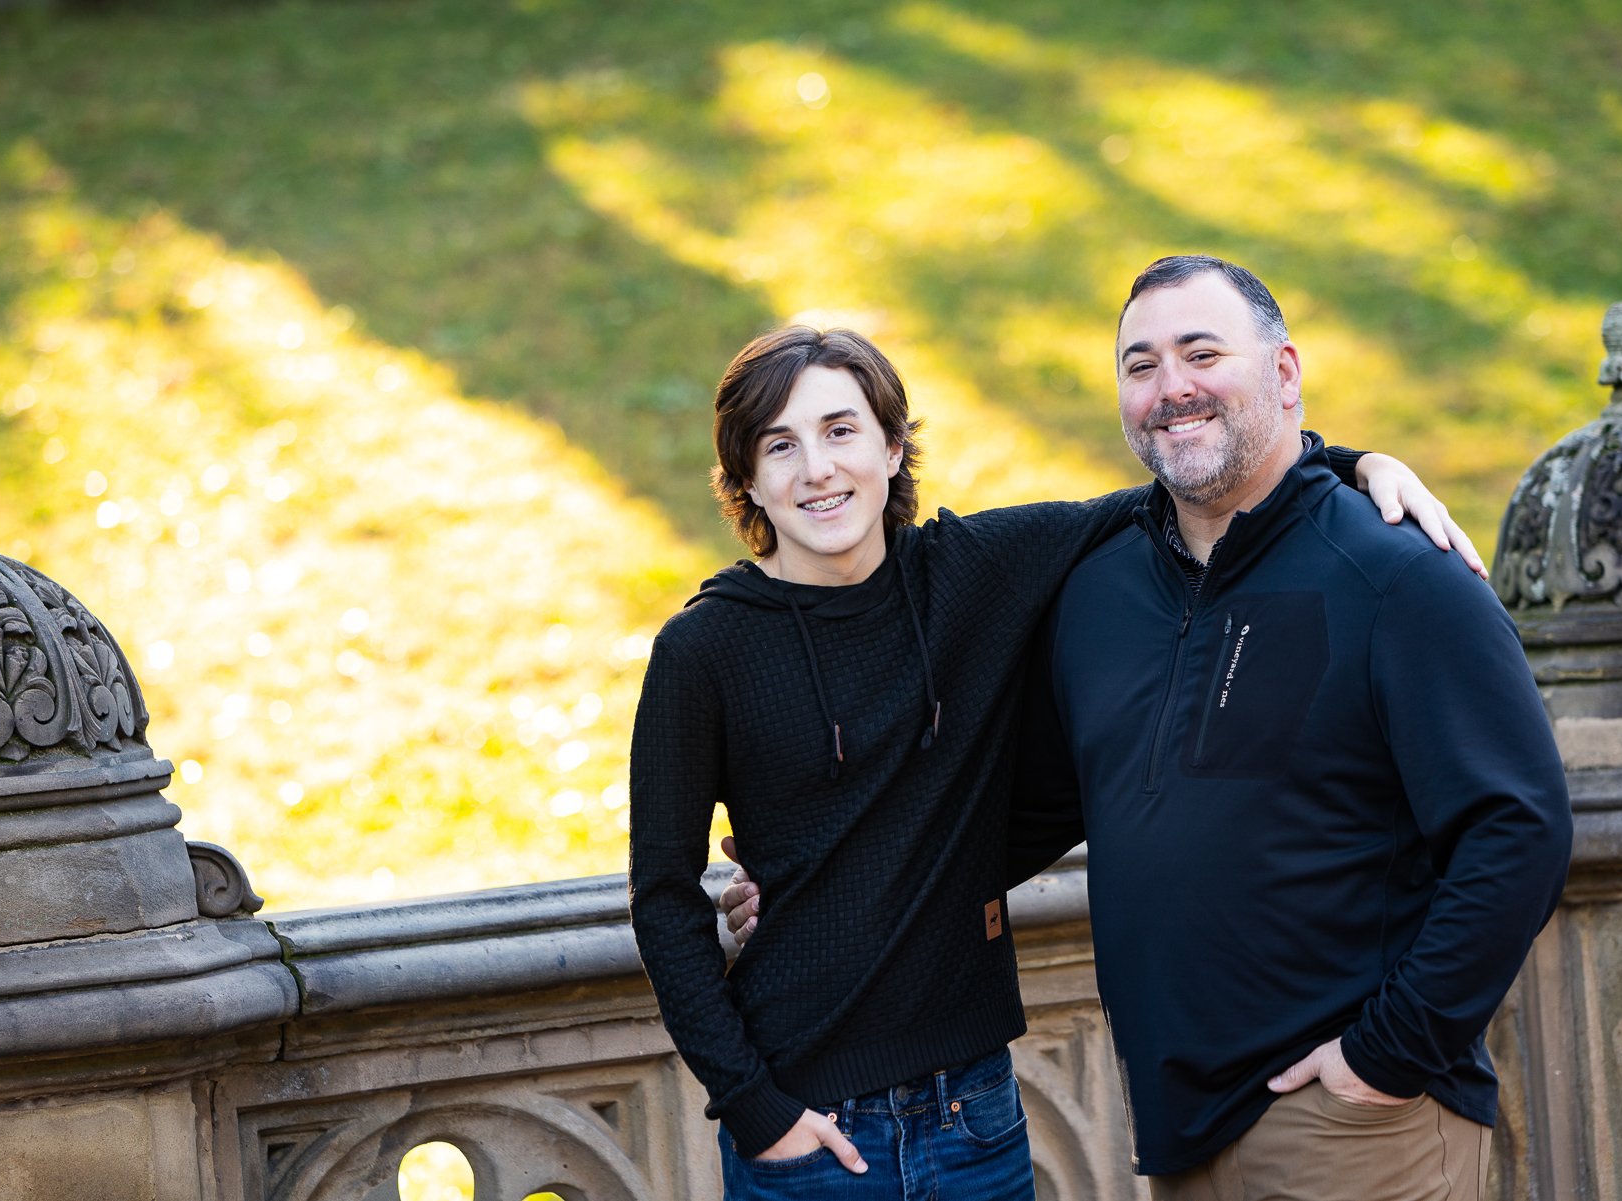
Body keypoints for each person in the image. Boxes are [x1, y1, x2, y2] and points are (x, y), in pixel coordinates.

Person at [630, 323, 1477, 1201]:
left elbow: (1180, 491)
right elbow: (660, 894)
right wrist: (751, 1105)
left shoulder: (974, 570)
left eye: (841, 431)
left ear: (890, 445)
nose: (817, 468)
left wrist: (1350, 462)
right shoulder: (704, 652)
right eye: (781, 445)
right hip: (808, 1131)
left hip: (977, 1118)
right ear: (747, 479)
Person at [1001, 256, 1573, 1200]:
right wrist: (825, 880)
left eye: (1201, 352)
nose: (1171, 386)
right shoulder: (1097, 593)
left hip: (1353, 1129)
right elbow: (1023, 810)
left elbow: (1519, 826)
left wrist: (1384, 1060)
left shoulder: (1395, 573)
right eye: (1140, 365)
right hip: (1182, 1135)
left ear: (1285, 372)